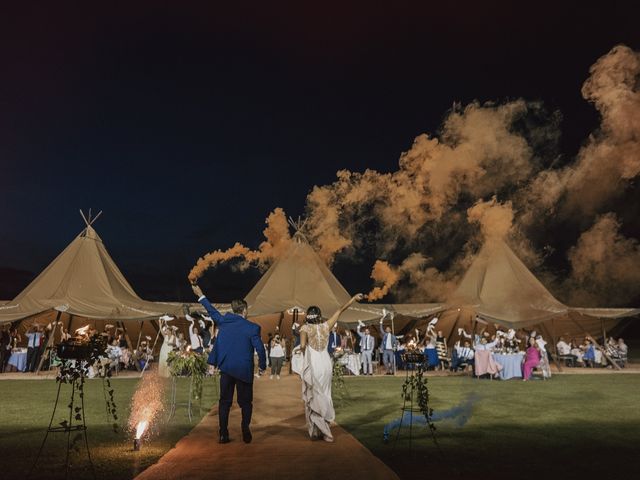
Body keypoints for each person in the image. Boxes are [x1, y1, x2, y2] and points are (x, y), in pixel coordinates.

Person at [192, 283, 266, 445]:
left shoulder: (224, 321)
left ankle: (223, 433)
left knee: (224, 402)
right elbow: (260, 349)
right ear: (244, 311)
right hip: (244, 370)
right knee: (246, 403)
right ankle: (245, 428)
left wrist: (200, 294)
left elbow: (211, 311)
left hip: (226, 369)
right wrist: (262, 366)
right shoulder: (253, 328)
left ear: (234, 310)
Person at [300, 293, 364, 442]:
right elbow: (340, 309)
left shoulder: (304, 328)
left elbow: (303, 346)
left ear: (308, 316)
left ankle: (320, 432)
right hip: (325, 362)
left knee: (314, 396)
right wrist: (353, 299)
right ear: (319, 315)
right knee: (326, 395)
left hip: (314, 363)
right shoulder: (326, 326)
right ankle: (323, 429)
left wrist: (300, 349)